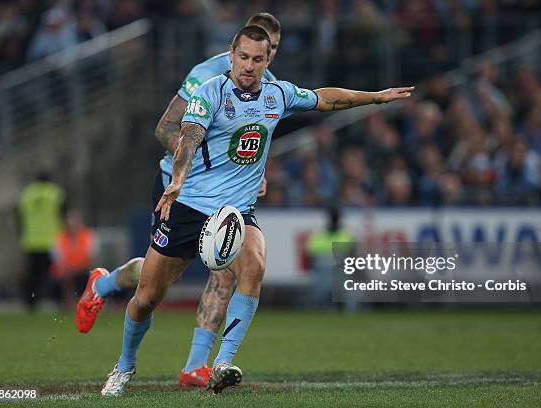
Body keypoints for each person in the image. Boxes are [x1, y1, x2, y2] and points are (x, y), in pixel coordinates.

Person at [100, 24, 413, 397]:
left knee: (255, 263)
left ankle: (222, 362)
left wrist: (375, 98)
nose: (249, 65)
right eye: (243, 57)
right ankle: (124, 366)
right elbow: (190, 137)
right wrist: (177, 181)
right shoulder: (208, 93)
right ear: (231, 54)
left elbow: (324, 99)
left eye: (257, 59)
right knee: (147, 298)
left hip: (235, 211)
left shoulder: (277, 95)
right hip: (188, 206)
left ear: (268, 60)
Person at [77, 13, 282, 388]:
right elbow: (166, 128)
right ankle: (104, 285)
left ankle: (195, 366)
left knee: (226, 266)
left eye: (270, 52)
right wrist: (207, 164)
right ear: (238, 48)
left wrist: (243, 167)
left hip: (223, 198)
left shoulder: (267, 86)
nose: (261, 60)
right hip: (179, 187)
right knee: (156, 283)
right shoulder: (207, 75)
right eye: (253, 52)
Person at [19, 172, 66, 311]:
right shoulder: (56, 193)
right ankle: (59, 300)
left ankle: (30, 302)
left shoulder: (27, 194)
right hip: (52, 241)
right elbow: (64, 214)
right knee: (56, 273)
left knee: (33, 275)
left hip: (31, 240)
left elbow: (20, 217)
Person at [52, 209, 97, 306]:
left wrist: (79, 268)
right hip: (67, 273)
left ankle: (88, 301)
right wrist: (68, 269)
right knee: (64, 277)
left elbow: (92, 257)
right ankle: (69, 301)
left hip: (83, 270)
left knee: (90, 276)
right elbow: (58, 259)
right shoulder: (60, 238)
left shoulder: (88, 235)